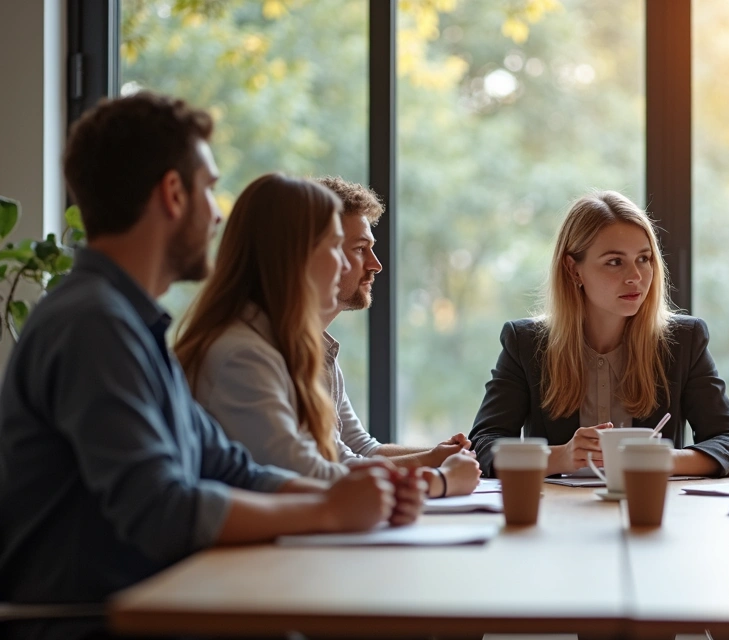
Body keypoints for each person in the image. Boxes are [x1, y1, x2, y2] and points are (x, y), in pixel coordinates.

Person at [0, 93, 419, 640]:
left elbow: (231, 468)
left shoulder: (128, 322)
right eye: (210, 188)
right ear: (173, 194)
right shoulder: (93, 325)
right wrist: (330, 512)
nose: (219, 213)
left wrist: (359, 497)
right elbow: (163, 509)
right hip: (89, 624)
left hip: (160, 607)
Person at [175, 174, 478, 498]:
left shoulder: (296, 346)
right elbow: (308, 476)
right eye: (341, 247)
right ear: (295, 256)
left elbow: (345, 456)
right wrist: (438, 480)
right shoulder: (242, 356)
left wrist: (434, 461)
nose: (371, 265)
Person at [468, 191, 729, 477]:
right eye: (615, 261)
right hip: (557, 514)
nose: (635, 277)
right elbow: (482, 446)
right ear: (573, 270)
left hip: (650, 510)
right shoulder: (525, 343)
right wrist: (561, 457)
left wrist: (659, 460)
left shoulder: (683, 341)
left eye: (644, 258)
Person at [315, 175, 481, 492]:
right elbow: (338, 467)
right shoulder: (263, 354)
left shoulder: (323, 351)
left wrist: (437, 455)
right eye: (360, 248)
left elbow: (363, 449)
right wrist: (439, 478)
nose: (376, 265)